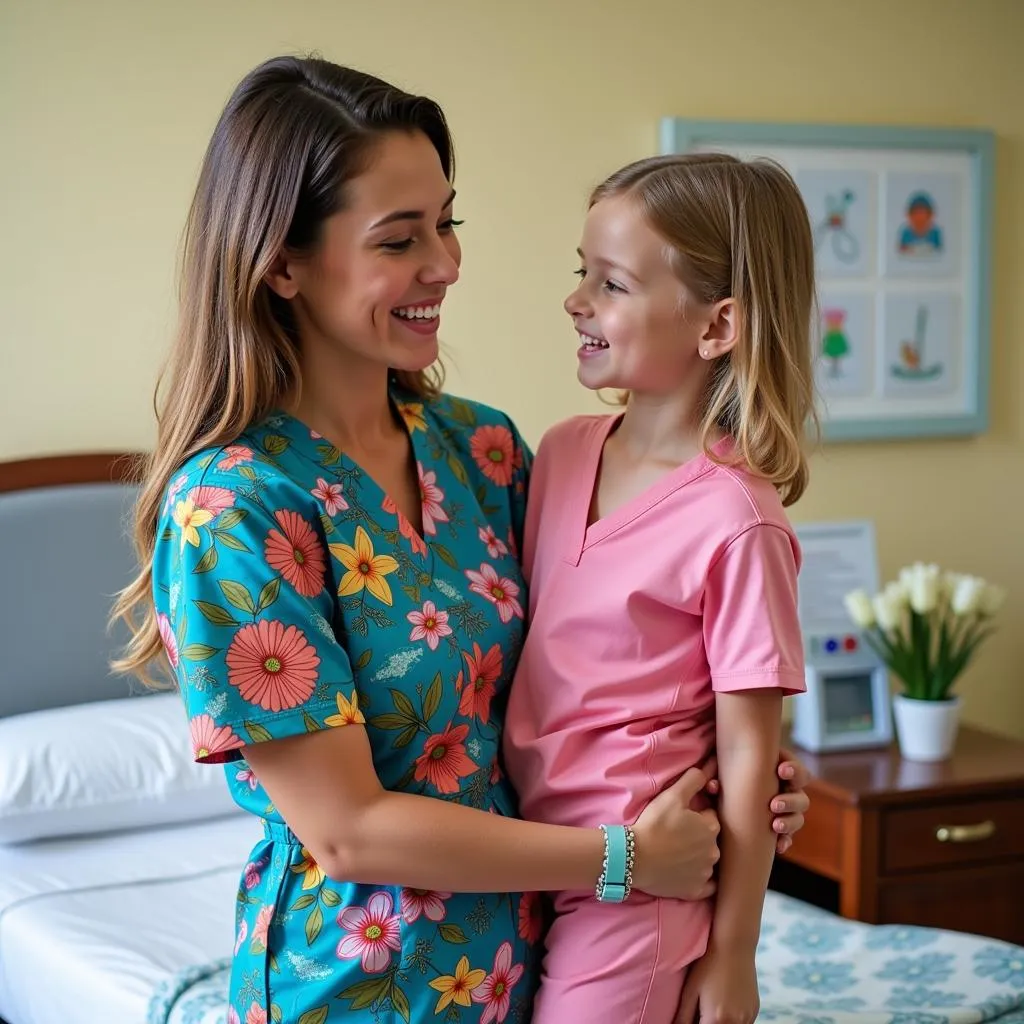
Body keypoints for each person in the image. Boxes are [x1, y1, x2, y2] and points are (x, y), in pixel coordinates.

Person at [112, 56, 812, 1024]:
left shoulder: (484, 453)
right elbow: (350, 832)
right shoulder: (235, 508)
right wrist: (626, 857)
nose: (443, 265)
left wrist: (742, 787)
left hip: (538, 959)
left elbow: (609, 658)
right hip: (357, 988)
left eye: (448, 223)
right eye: (400, 239)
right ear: (281, 262)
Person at [504, 153, 817, 1024]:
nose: (577, 302)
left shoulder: (737, 521)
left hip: (639, 891)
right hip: (532, 856)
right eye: (582, 274)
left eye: (611, 284)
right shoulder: (561, 452)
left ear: (718, 326)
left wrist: (734, 956)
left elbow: (752, 755)